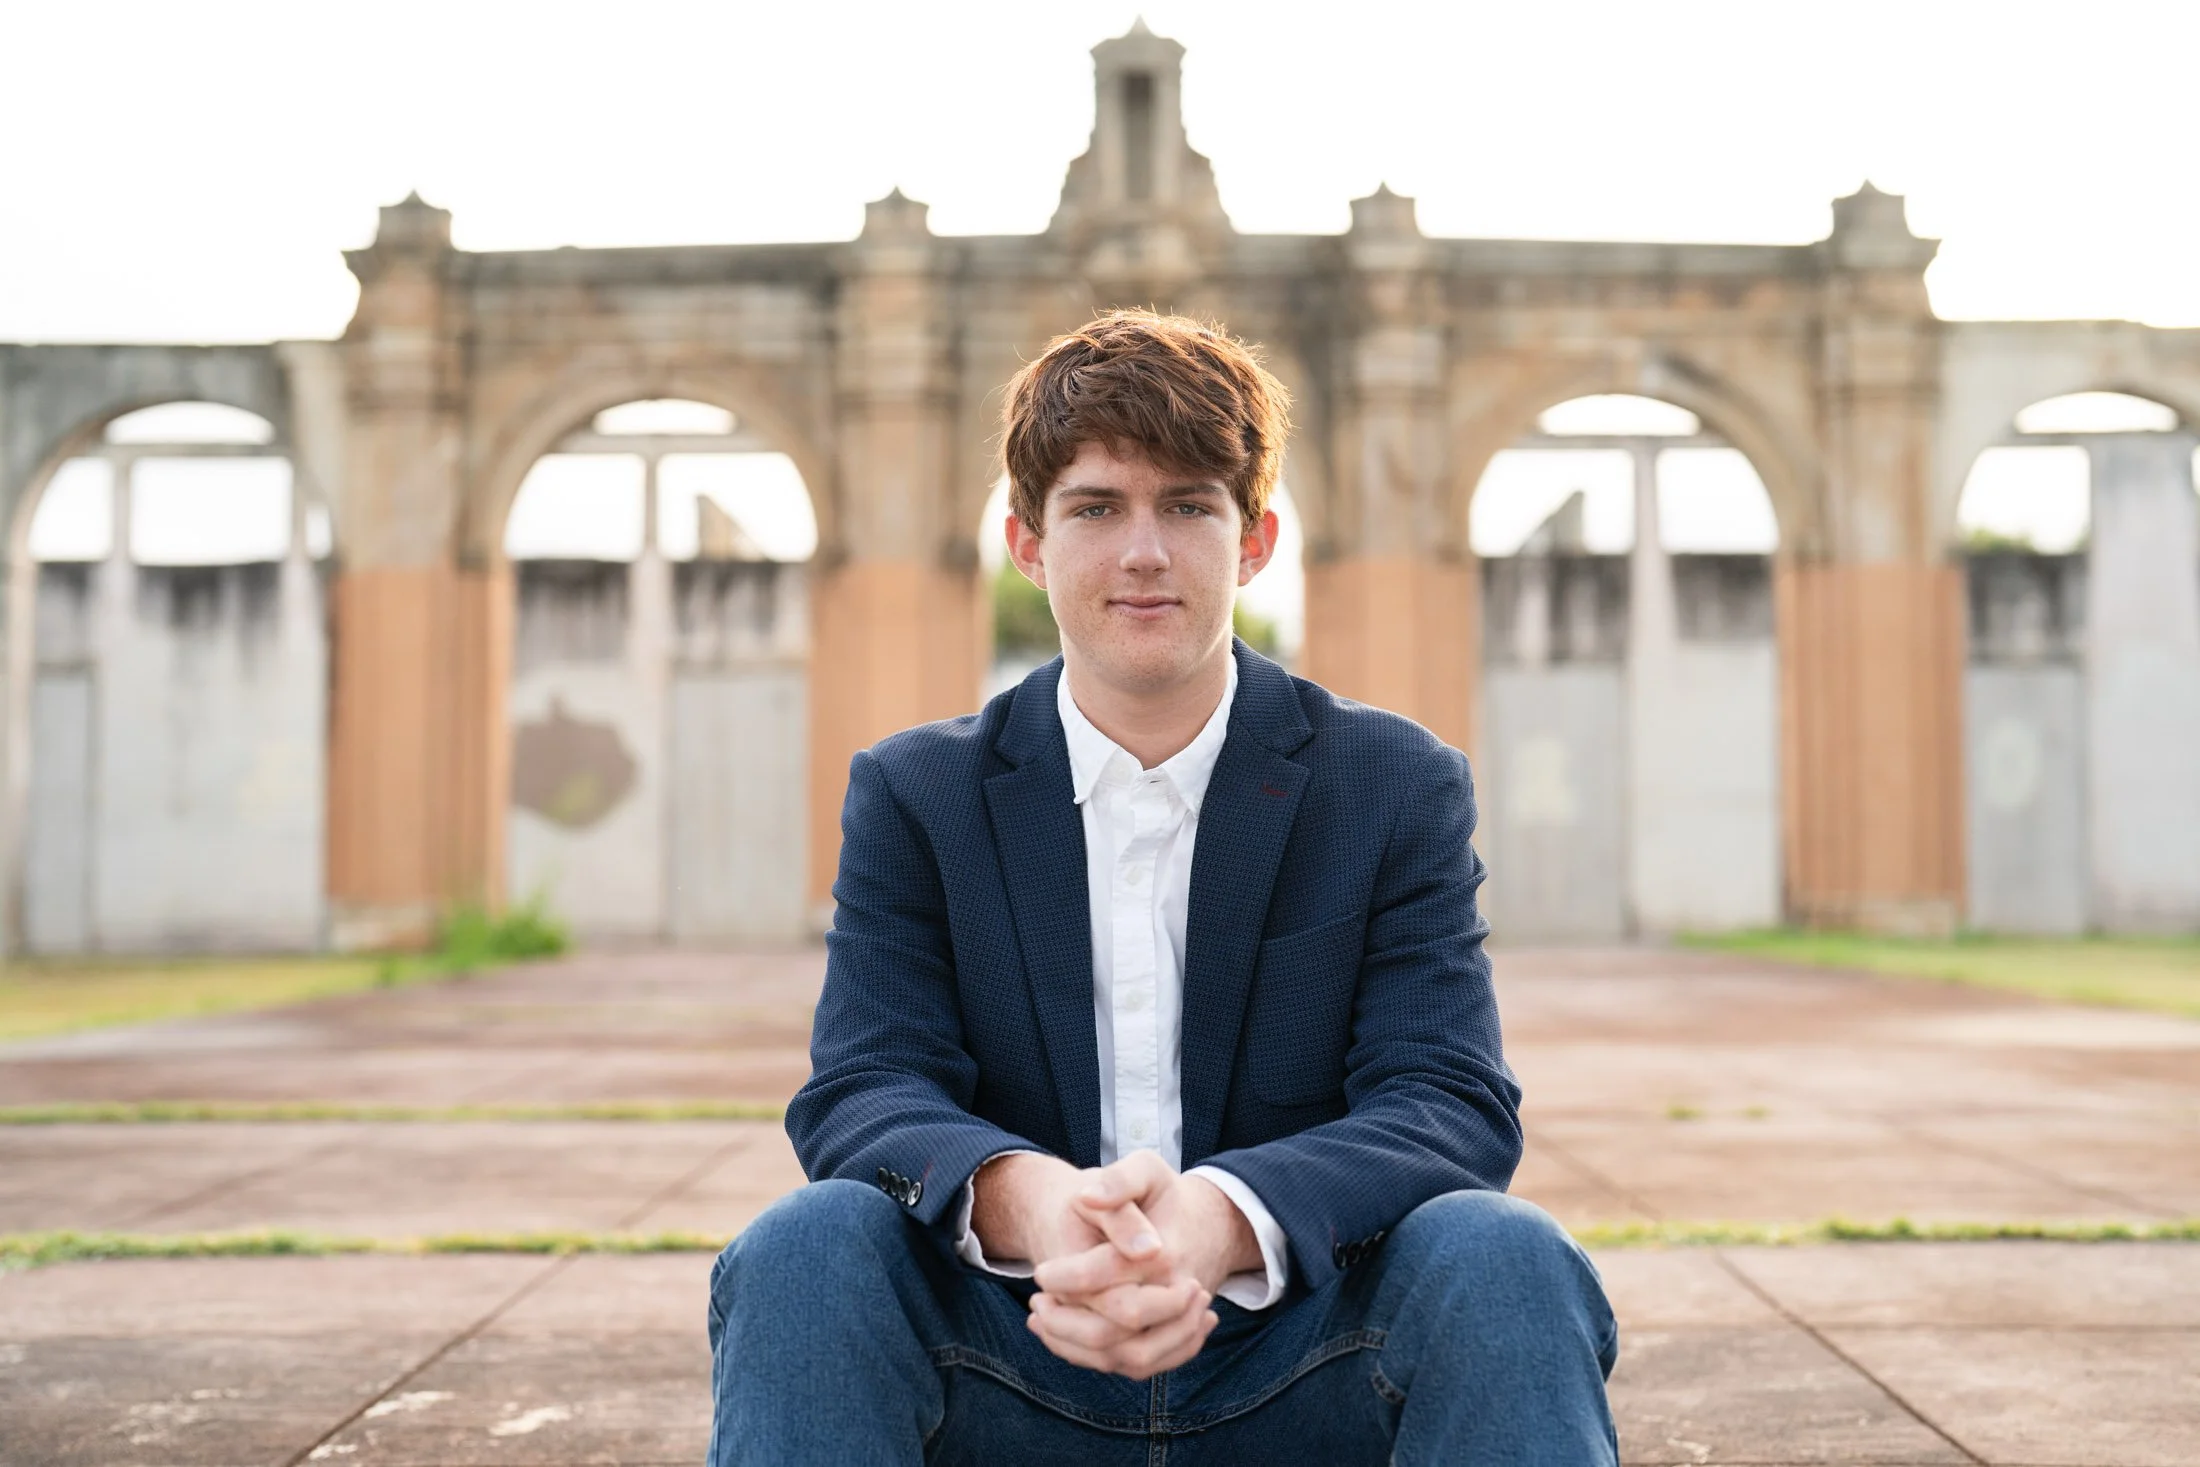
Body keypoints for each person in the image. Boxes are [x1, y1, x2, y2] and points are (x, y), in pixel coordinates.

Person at [707, 310, 1618, 1464]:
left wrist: (1216, 1222)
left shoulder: (1390, 784)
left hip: (1301, 1359)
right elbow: (866, 1091)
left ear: (1254, 541)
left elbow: (1445, 1101)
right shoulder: (914, 794)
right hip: (1006, 1354)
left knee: (1503, 1254)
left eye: (1188, 505)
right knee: (806, 1247)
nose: (1143, 552)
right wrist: (1037, 1210)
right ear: (1027, 542)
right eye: (1096, 507)